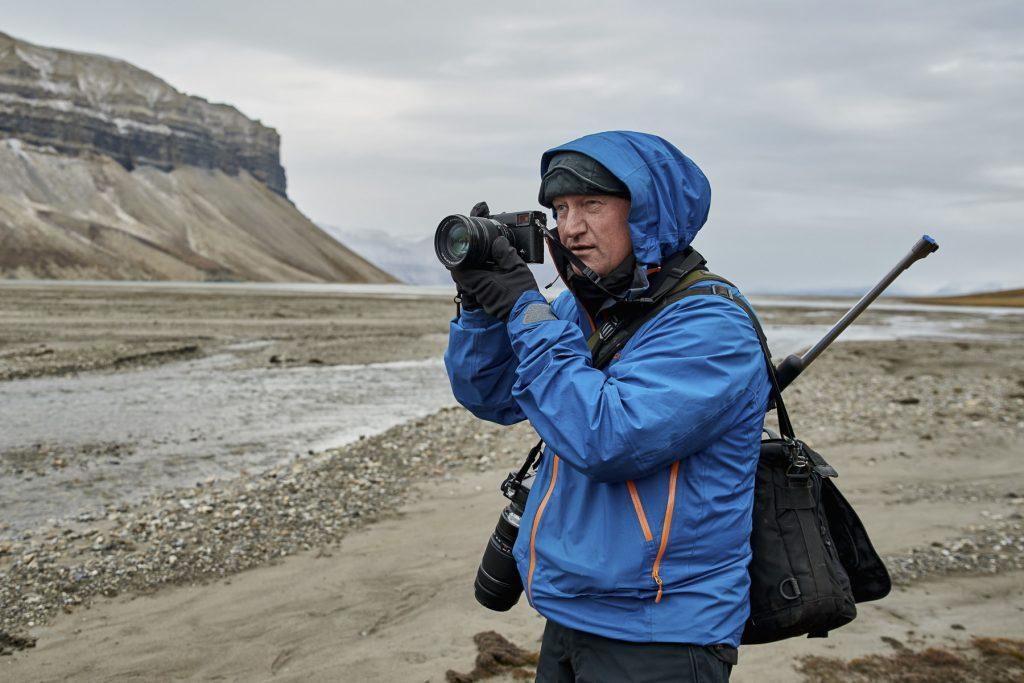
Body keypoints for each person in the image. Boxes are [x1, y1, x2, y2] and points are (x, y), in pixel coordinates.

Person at [444, 131, 769, 682]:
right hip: (572, 609)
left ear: (649, 212)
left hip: (661, 629)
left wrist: (525, 306)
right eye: (560, 208)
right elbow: (491, 395)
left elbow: (607, 438)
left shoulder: (712, 326)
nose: (570, 228)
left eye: (592, 204)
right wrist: (478, 308)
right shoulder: (580, 308)